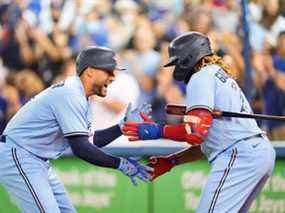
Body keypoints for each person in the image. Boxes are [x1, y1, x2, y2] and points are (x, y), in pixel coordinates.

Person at [123, 32, 276, 212]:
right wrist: (172, 161)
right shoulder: (215, 73)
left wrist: (155, 131)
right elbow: (209, 140)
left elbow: (193, 133)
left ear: (190, 56)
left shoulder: (201, 76)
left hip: (240, 155)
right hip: (254, 152)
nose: (176, 67)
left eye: (177, 61)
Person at [0, 46, 153, 213]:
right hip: (20, 154)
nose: (113, 77)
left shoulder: (80, 95)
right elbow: (81, 148)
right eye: (108, 71)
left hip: (35, 158)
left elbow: (89, 141)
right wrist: (120, 164)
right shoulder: (71, 94)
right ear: (90, 72)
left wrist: (120, 128)